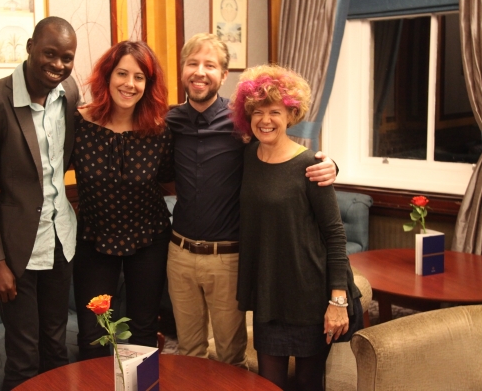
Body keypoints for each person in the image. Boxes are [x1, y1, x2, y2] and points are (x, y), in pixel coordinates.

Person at [164, 33, 337, 368]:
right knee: (188, 353)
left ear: (223, 75)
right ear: (182, 70)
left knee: (230, 355)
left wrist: (328, 165)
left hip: (227, 258)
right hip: (179, 254)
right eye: (193, 63)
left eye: (210, 65)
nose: (200, 72)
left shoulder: (241, 123)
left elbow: (280, 153)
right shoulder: (170, 121)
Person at [0, 17, 80, 390]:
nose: (58, 65)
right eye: (50, 53)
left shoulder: (70, 93)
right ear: (29, 47)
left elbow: (65, 159)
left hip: (61, 240)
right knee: (24, 357)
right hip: (16, 252)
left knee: (57, 347)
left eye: (67, 57)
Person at [231, 64, 363, 390]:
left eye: (275, 111)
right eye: (257, 111)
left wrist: (337, 301)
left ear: (291, 114)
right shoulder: (247, 157)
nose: (265, 119)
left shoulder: (312, 166)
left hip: (309, 296)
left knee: (308, 383)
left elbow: (334, 235)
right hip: (268, 294)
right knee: (269, 383)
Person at [72, 40, 174, 359]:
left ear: (148, 84)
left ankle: (143, 385)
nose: (129, 84)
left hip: (149, 237)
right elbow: (43, 166)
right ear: (107, 76)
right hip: (94, 237)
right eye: (122, 73)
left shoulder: (159, 129)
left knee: (142, 328)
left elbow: (174, 178)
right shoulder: (79, 124)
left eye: (139, 77)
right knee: (94, 330)